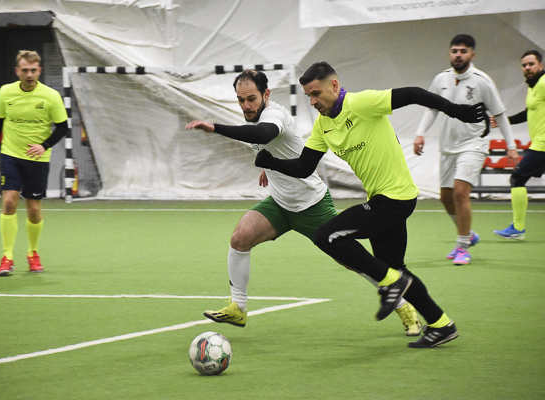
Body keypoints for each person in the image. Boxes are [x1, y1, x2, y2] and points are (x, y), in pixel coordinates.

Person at [255, 61, 486, 348]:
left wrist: (457, 111)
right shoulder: (323, 125)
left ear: (334, 86)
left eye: (316, 94)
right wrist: (272, 162)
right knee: (395, 269)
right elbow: (304, 166)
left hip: (395, 198)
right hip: (383, 200)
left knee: (327, 236)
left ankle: (391, 282)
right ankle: (441, 324)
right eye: (308, 96)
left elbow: (413, 94)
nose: (312, 102)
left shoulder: (361, 103)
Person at [186, 69, 423, 336]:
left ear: (266, 94)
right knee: (240, 238)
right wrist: (269, 168)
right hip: (280, 203)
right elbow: (271, 145)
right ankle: (238, 308)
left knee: (352, 261)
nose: (246, 105)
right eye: (241, 100)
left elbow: (264, 134)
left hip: (312, 204)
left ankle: (404, 306)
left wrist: (215, 127)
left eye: (251, 99)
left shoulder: (274, 114)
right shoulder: (255, 115)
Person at [413, 34, 520, 265]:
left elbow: (500, 114)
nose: (458, 55)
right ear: (449, 54)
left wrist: (511, 147)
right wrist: (420, 133)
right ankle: (468, 235)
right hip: (447, 147)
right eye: (455, 51)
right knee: (446, 197)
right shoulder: (441, 79)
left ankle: (463, 247)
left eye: (463, 51)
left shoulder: (482, 81)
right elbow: (432, 109)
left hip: (474, 144)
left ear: (472, 54)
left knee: (460, 192)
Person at [0, 50, 68, 276]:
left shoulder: (50, 96)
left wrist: (44, 145)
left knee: (34, 209)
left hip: (37, 159)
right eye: (25, 70)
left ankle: (32, 253)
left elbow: (63, 127)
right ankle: (7, 257)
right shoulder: (5, 92)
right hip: (11, 154)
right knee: (9, 202)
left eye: (33, 70)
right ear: (17, 71)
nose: (29, 75)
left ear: (39, 71)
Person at [493, 50, 545, 239]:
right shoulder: (534, 87)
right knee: (518, 179)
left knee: (517, 179)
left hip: (542, 145)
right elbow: (528, 113)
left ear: (541, 65)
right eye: (524, 65)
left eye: (531, 64)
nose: (527, 68)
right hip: (539, 144)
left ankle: (517, 228)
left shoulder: (543, 83)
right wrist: (504, 121)